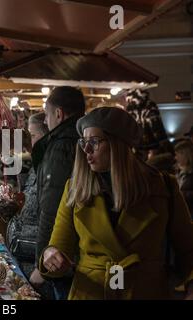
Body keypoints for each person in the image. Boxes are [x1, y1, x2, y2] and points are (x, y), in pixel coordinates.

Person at [40, 107, 193, 300]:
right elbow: (58, 245)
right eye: (84, 142)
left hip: (145, 291)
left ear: (119, 144)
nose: (86, 149)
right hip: (90, 292)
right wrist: (51, 256)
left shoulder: (163, 187)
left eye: (94, 142)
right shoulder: (75, 188)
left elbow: (188, 248)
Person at [30, 87, 85, 300]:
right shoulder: (85, 140)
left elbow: (52, 207)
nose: (46, 121)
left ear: (59, 114)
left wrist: (41, 262)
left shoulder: (60, 147)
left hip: (62, 256)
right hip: (83, 251)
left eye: (47, 115)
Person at [6, 112, 52, 297]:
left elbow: (51, 219)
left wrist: (42, 268)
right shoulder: (37, 165)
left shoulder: (53, 167)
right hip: (27, 259)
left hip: (40, 265)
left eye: (32, 136)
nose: (29, 142)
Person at [175, 140, 193, 218]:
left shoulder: (190, 173)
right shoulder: (179, 171)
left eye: (177, 154)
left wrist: (181, 194)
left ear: (185, 155)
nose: (175, 158)